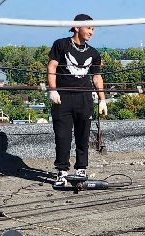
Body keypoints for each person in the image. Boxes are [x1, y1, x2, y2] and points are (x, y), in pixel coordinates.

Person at [46, 13, 107, 189]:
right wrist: (53, 89)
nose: (91, 32)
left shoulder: (94, 54)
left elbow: (96, 77)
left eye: (93, 29)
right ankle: (62, 172)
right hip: (62, 98)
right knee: (62, 136)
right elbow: (52, 66)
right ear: (76, 27)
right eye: (89, 28)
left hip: (84, 99)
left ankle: (81, 169)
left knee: (83, 136)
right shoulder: (61, 45)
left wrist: (103, 99)